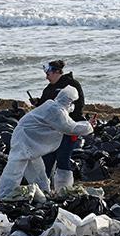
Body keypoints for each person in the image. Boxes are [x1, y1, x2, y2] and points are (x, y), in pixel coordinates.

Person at [0, 87, 94, 198]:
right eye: (72, 102)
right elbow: (69, 127)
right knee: (15, 169)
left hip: (29, 140)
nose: (73, 106)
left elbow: (69, 123)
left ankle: (44, 193)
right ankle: (4, 195)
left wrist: (87, 124)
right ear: (68, 101)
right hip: (24, 139)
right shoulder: (56, 110)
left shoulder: (54, 106)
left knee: (37, 170)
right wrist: (89, 126)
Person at [31, 60, 86, 191]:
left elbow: (79, 107)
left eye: (48, 73)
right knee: (47, 159)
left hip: (68, 130)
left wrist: (70, 124)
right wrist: (38, 103)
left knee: (63, 159)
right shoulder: (48, 89)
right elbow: (45, 108)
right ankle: (45, 189)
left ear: (56, 72)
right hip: (50, 131)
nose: (46, 77)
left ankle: (64, 190)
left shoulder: (72, 85)